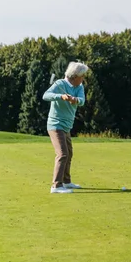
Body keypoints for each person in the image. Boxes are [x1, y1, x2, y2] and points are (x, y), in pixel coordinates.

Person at [43, 61, 89, 194]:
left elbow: (82, 100)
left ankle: (66, 182)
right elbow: (46, 96)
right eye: (82, 76)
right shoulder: (59, 84)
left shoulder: (79, 86)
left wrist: (74, 100)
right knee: (62, 154)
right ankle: (56, 185)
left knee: (69, 154)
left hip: (67, 126)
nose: (83, 78)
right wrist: (61, 96)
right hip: (55, 124)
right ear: (75, 75)